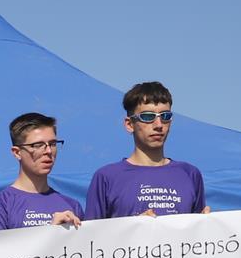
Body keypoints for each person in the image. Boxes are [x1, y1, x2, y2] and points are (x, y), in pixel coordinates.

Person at [83, 82, 209, 219]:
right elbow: (92, 237)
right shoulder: (107, 177)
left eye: (165, 116)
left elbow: (197, 236)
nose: (159, 125)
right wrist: (134, 228)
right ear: (130, 124)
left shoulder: (190, 174)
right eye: (148, 117)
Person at [0, 113, 84, 231]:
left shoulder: (72, 206)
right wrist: (52, 232)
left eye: (53, 144)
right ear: (17, 152)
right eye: (38, 145)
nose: (48, 151)